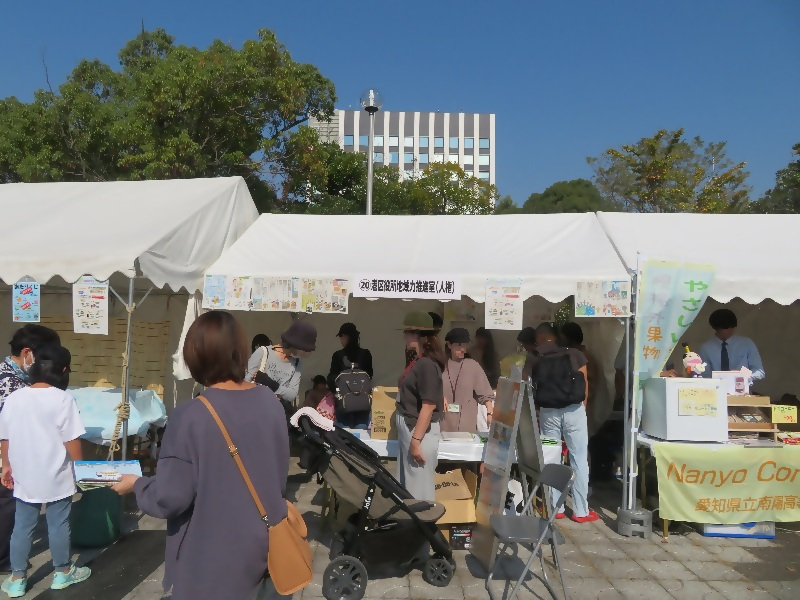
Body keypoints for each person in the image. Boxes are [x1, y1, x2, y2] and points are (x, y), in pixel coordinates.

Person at [111, 311, 290, 600]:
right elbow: (278, 475)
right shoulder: (271, 402)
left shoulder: (189, 416)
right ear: (240, 351)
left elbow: (171, 497)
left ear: (194, 355)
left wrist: (137, 484)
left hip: (211, 563)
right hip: (267, 548)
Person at [0, 344, 90, 597]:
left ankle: (17, 578)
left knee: (22, 526)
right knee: (58, 523)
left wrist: (6, 466)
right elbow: (72, 439)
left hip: (24, 474)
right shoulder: (63, 399)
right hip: (56, 474)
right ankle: (62, 572)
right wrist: (82, 468)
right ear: (63, 370)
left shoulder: (15, 397)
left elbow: (4, 437)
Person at [0, 325, 61, 574]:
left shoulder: (16, 378)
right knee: (7, 509)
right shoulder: (10, 385)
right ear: (27, 353)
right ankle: (5, 560)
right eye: (44, 356)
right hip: (8, 461)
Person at [523, 323, 598, 523]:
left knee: (551, 458)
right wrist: (581, 407)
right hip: (574, 411)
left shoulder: (534, 356)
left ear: (540, 336)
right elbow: (585, 384)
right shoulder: (575, 354)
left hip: (548, 413)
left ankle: (555, 508)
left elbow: (525, 386)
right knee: (579, 458)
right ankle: (581, 511)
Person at [396, 312, 446, 501]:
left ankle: (421, 528)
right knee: (409, 491)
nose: (404, 336)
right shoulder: (418, 360)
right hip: (413, 429)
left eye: (406, 332)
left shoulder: (426, 364)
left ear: (417, 335)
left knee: (419, 495)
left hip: (419, 432)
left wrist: (415, 441)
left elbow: (428, 405)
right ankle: (412, 528)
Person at [246, 320, 317, 409]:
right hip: (254, 408)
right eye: (305, 350)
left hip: (276, 412)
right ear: (296, 344)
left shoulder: (297, 363)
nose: (306, 353)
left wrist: (270, 383)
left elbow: (291, 395)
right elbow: (244, 381)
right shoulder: (263, 352)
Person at [441, 328, 494, 434]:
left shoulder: (472, 365)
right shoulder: (440, 365)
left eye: (465, 345)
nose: (463, 349)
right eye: (459, 344)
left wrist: (489, 413)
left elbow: (485, 393)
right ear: (449, 345)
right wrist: (439, 396)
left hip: (466, 423)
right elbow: (429, 389)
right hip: (443, 421)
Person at [698, 308, 765, 385]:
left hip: (742, 393)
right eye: (723, 329)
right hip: (715, 392)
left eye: (730, 328)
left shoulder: (746, 344)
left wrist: (741, 375)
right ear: (715, 328)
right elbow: (705, 376)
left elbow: (759, 372)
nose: (728, 331)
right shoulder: (706, 348)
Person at [327, 323, 374, 428]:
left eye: (340, 337)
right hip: (363, 405)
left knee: (343, 436)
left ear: (344, 336)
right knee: (361, 436)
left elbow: (331, 379)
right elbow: (369, 376)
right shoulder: (366, 354)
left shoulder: (338, 355)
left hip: (343, 405)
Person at [559, 322, 599, 409]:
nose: (560, 340)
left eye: (562, 337)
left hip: (581, 407)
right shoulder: (575, 355)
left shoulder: (584, 357)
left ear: (570, 338)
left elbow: (589, 383)